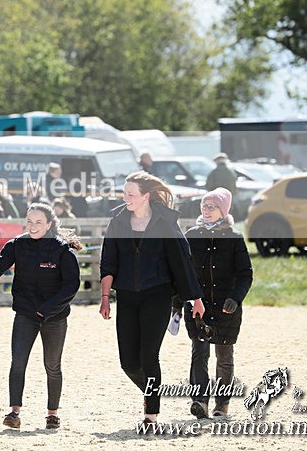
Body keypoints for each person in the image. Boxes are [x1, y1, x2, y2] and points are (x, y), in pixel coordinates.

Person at [98, 171, 205, 427]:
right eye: (124, 193)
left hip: (157, 295)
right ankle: (151, 393)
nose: (126, 198)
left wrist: (195, 297)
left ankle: (151, 415)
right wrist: (104, 297)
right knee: (128, 362)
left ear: (146, 196)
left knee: (149, 356)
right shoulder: (118, 221)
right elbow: (108, 262)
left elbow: (181, 262)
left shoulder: (165, 223)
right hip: (126, 297)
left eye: (131, 194)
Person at [0, 202, 81, 430]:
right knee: (18, 362)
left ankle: (52, 414)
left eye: (38, 222)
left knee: (52, 365)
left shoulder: (62, 251)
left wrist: (46, 310)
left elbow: (71, 287)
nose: (33, 226)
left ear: (49, 224)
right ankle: (14, 412)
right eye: (29, 221)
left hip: (54, 317)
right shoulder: (16, 245)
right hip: (25, 315)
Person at [179, 187, 253, 419]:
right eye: (204, 205)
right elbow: (183, 272)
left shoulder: (234, 238)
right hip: (198, 305)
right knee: (199, 354)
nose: (206, 210)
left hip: (225, 307)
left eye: (212, 206)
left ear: (223, 211)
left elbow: (245, 274)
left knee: (224, 356)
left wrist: (235, 298)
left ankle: (222, 404)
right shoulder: (191, 235)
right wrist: (177, 304)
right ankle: (199, 401)